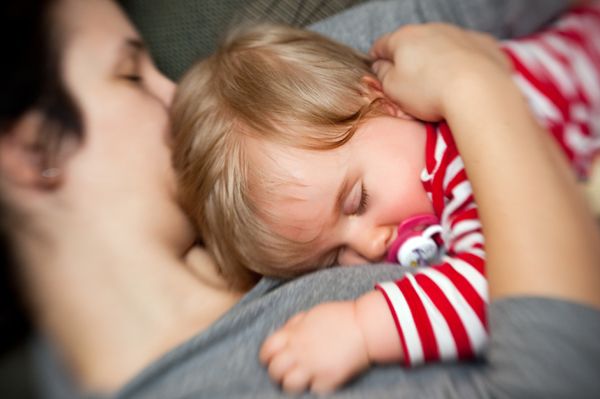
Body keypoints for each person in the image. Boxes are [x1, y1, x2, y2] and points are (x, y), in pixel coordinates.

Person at [1, 1, 599, 399]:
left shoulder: (269, 119)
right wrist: (476, 89)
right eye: (130, 76)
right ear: (32, 153)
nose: (177, 91)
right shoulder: (219, 379)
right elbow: (561, 375)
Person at [171, 5, 600, 392]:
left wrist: (364, 328)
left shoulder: (454, 156)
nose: (371, 245)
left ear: (382, 102)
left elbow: (498, 287)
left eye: (357, 201)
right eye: (334, 256)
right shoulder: (419, 171)